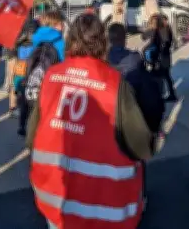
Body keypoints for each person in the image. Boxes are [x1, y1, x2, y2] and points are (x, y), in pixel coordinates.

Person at [27, 13, 154, 228]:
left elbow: (32, 136)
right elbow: (140, 143)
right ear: (103, 43)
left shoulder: (51, 76)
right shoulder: (114, 82)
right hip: (104, 205)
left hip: (56, 198)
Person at [108, 22, 165, 133]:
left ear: (109, 39)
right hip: (130, 101)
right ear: (124, 38)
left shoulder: (103, 57)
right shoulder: (135, 57)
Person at [9, 18, 38, 117]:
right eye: (31, 33)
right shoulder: (18, 41)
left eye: (34, 33)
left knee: (25, 88)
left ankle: (22, 107)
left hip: (27, 68)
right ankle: (13, 108)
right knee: (16, 87)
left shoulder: (32, 41)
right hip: (20, 68)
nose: (32, 35)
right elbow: (12, 56)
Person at [145, 14, 177, 102]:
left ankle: (160, 95)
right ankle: (171, 94)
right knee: (166, 76)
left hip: (160, 57)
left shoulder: (160, 31)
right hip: (165, 56)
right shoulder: (167, 29)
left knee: (159, 77)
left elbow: (144, 36)